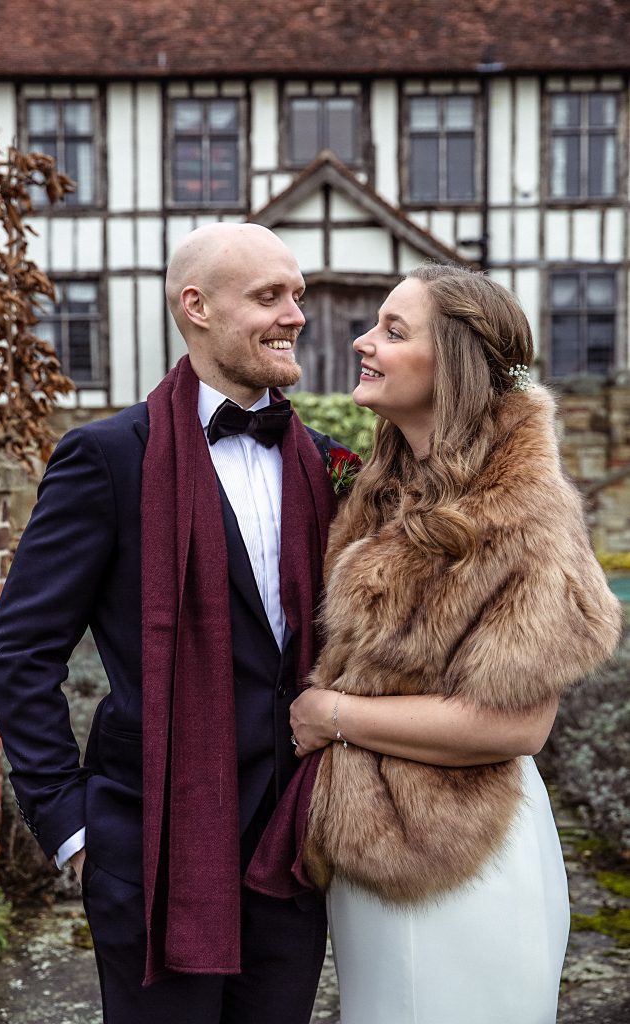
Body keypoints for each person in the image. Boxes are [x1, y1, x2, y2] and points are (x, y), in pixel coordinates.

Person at [0, 222, 352, 1024]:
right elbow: (21, 651)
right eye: (268, 296)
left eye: (298, 295)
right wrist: (72, 829)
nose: (295, 314)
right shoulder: (107, 456)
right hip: (150, 844)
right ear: (196, 307)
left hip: (290, 846)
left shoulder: (325, 463)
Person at [282, 265, 621, 1024]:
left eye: (394, 331)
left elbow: (515, 726)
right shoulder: (382, 487)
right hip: (376, 855)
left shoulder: (522, 513)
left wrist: (327, 713)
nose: (363, 343)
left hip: (458, 856)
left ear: (456, 364)